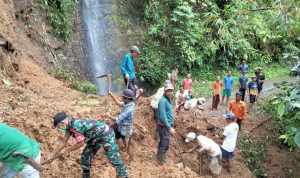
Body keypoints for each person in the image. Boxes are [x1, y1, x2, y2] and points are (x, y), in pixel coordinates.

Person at [43, 112, 128, 178]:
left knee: (113, 158)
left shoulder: (75, 126)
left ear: (62, 122)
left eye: (58, 125)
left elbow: (81, 143)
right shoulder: (69, 127)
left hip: (106, 135)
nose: (58, 127)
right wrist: (51, 155)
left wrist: (68, 150)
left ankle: (124, 176)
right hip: (94, 138)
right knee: (86, 155)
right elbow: (63, 142)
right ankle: (86, 175)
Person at [105, 89, 135, 159]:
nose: (121, 98)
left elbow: (117, 119)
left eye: (123, 97)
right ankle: (111, 147)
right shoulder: (129, 103)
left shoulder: (128, 110)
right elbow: (120, 104)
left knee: (127, 143)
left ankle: (131, 158)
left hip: (127, 128)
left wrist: (108, 115)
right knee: (111, 132)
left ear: (127, 99)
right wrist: (112, 96)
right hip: (122, 125)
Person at [156, 83, 176, 165]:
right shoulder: (163, 101)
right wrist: (169, 127)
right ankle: (162, 161)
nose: (171, 92)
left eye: (172, 90)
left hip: (166, 125)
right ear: (165, 91)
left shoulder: (168, 99)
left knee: (164, 142)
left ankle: (159, 157)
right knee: (165, 143)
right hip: (163, 126)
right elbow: (163, 117)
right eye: (169, 91)